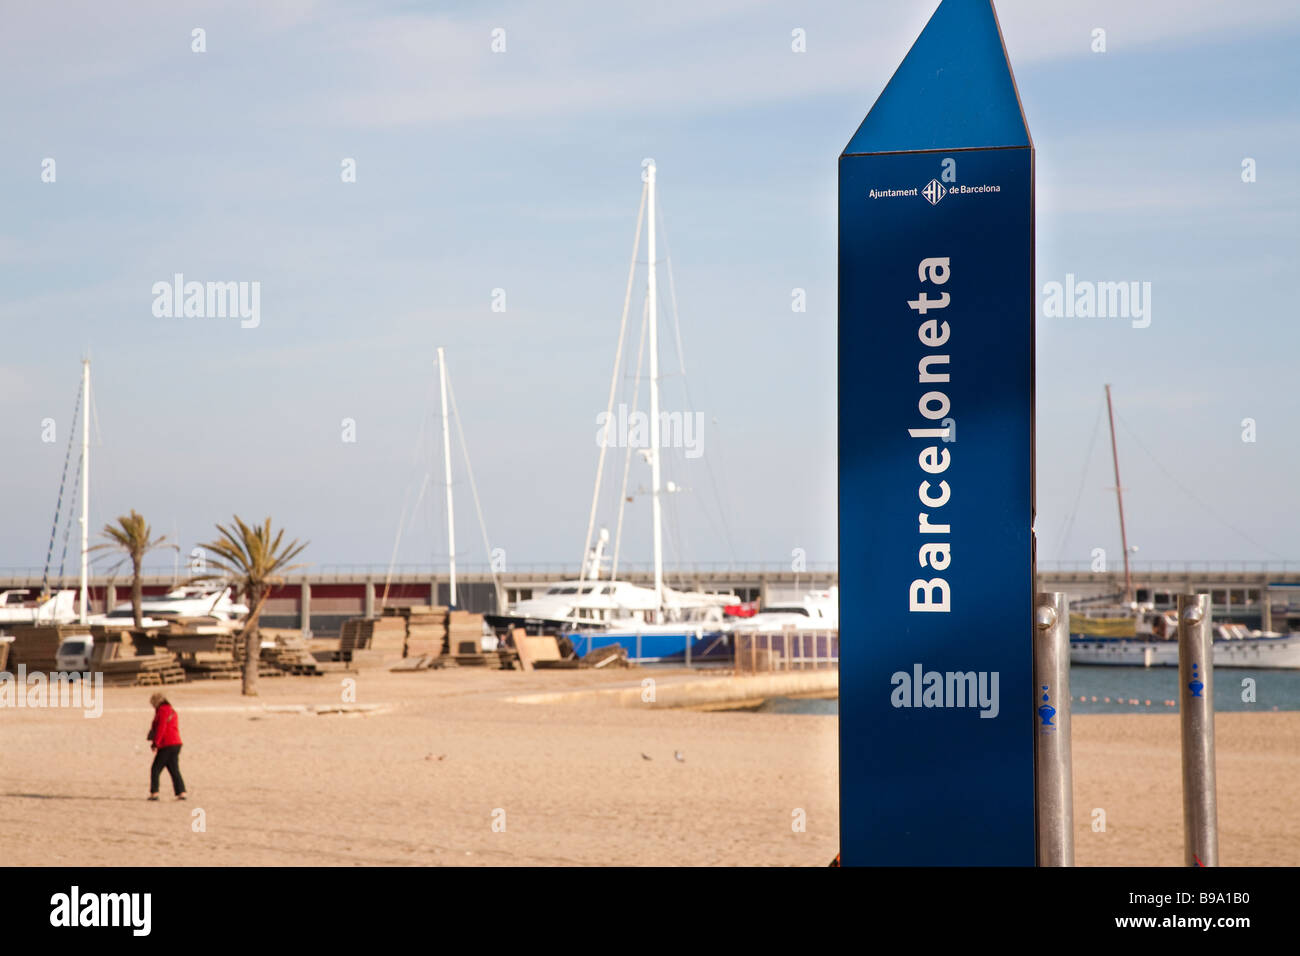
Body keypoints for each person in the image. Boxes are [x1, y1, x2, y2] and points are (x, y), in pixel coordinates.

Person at [146, 693, 186, 801]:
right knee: (174, 769)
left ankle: (154, 793)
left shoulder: (162, 711)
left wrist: (156, 743)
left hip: (167, 744)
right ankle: (181, 792)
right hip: (176, 743)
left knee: (155, 769)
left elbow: (161, 728)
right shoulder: (172, 710)